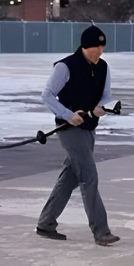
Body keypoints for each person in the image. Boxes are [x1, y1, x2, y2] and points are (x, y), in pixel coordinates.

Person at [36, 26, 120, 245]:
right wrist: (67, 114)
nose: (99, 51)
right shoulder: (66, 66)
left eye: (102, 46)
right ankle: (101, 231)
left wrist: (103, 107)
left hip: (90, 127)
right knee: (89, 176)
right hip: (69, 129)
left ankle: (46, 223)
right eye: (95, 46)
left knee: (71, 176)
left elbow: (105, 96)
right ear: (84, 45)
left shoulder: (103, 67)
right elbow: (48, 95)